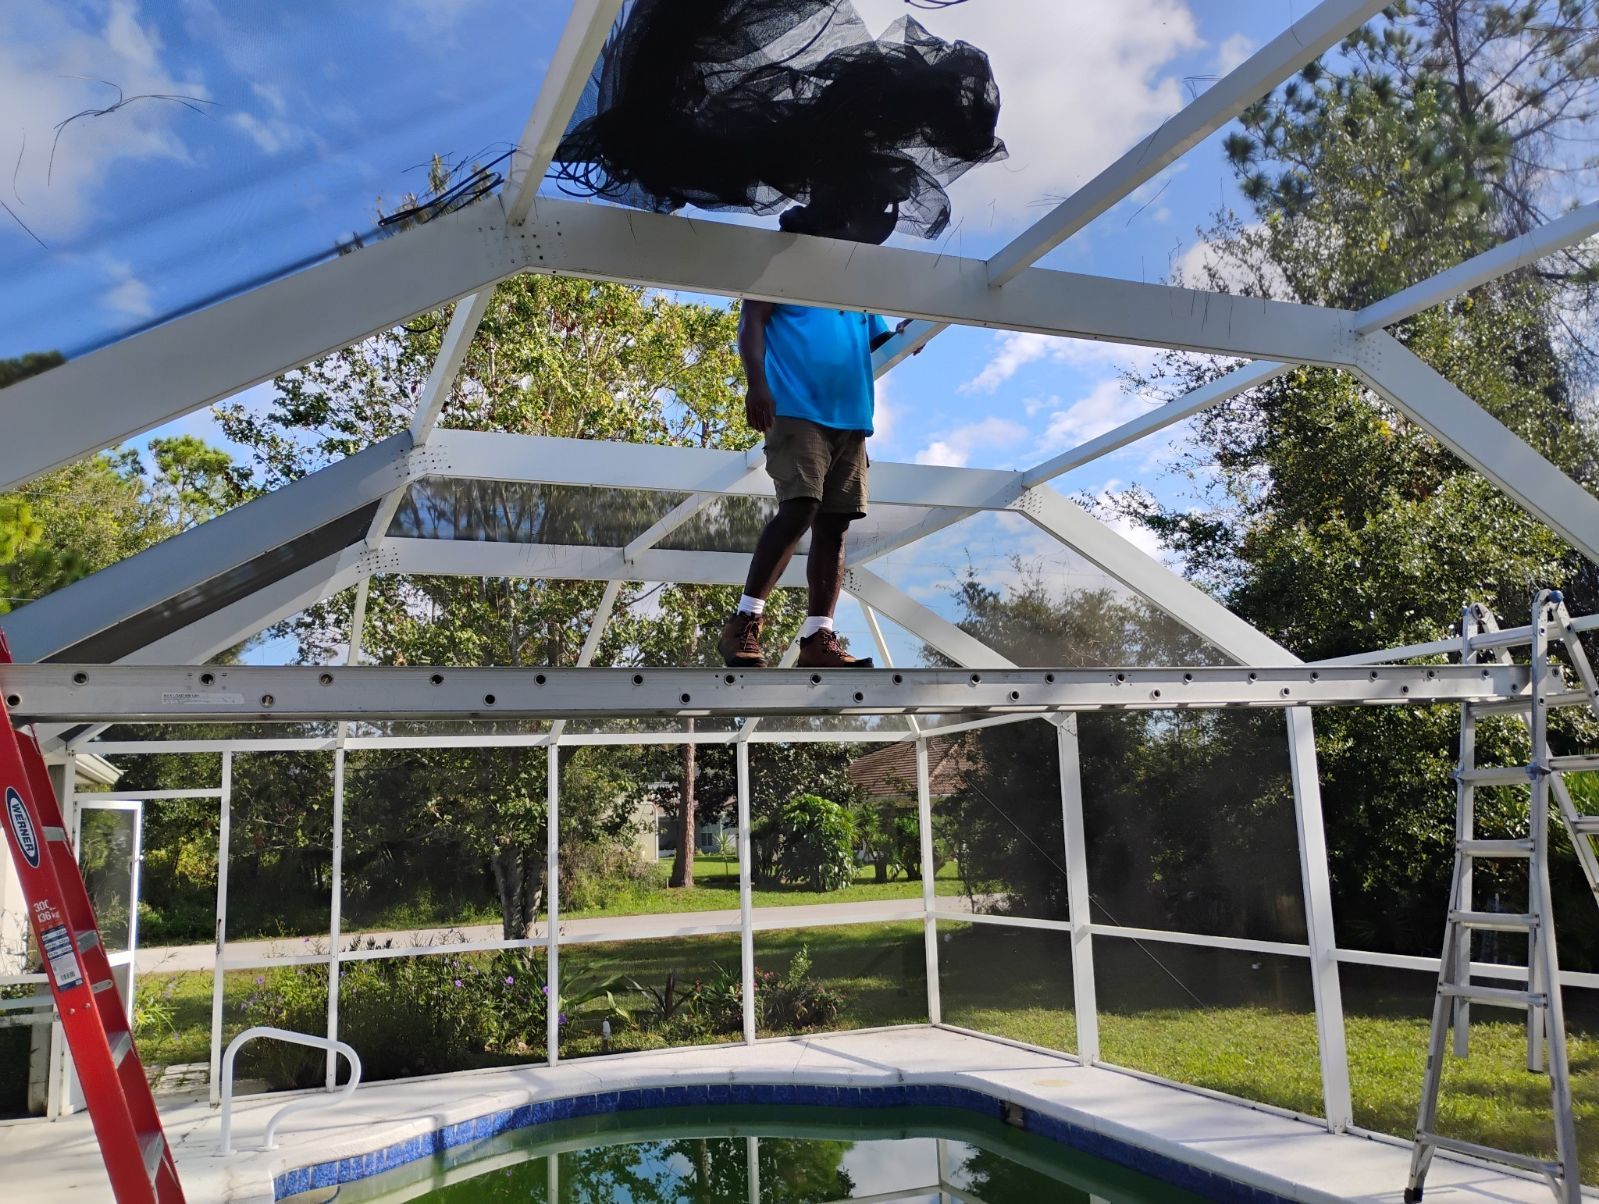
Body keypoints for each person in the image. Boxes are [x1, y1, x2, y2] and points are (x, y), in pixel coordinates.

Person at [717, 278, 910, 670]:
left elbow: (876, 342)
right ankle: (744, 621)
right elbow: (752, 319)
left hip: (852, 418)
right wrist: (756, 384)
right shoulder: (786, 266)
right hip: (794, 407)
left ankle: (817, 638)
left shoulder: (859, 285)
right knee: (802, 504)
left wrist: (906, 339)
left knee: (835, 523)